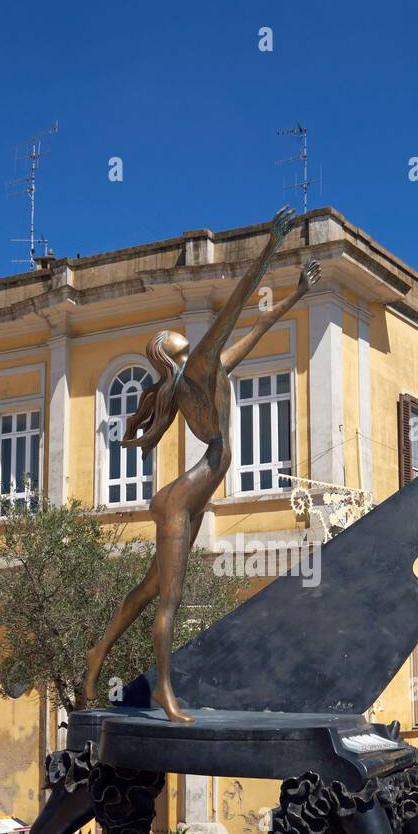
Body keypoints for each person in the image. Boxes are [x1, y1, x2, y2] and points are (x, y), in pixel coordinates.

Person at [83, 205, 320, 721]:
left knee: (148, 590)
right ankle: (166, 692)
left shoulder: (211, 369)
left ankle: (95, 657)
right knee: (169, 599)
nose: (182, 335)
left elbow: (258, 325)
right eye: (174, 338)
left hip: (186, 495)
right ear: (172, 355)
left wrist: (299, 293)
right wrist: (271, 245)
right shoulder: (197, 367)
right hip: (179, 502)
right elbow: (238, 303)